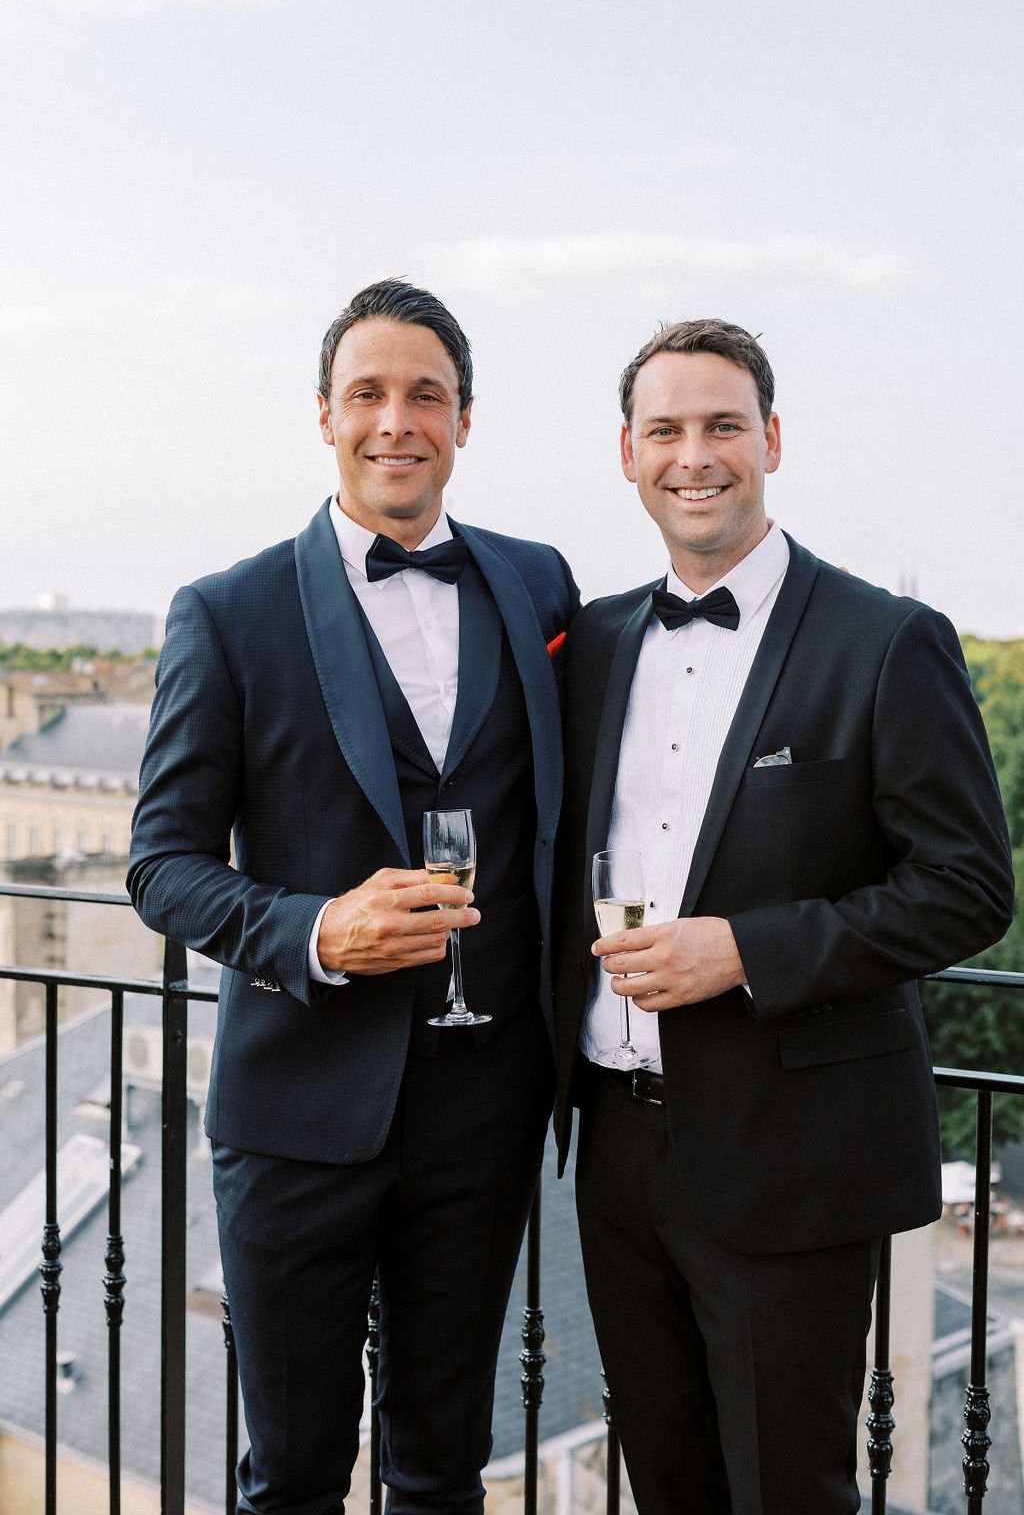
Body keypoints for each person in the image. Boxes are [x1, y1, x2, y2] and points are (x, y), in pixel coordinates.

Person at [128, 278, 579, 1515]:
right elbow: (160, 862)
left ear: (465, 420)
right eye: (367, 395)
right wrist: (316, 928)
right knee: (292, 1478)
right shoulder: (226, 612)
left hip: (485, 1111)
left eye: (424, 395)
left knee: (442, 1472)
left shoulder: (539, 585)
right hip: (296, 1119)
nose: (397, 421)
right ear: (322, 418)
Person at [553, 318, 1014, 1514]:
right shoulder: (591, 640)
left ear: (770, 440)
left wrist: (745, 951)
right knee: (669, 1482)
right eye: (664, 428)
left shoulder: (884, 640)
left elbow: (967, 887)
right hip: (613, 1145)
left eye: (720, 426)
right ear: (624, 451)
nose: (692, 455)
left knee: (786, 1493)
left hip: (793, 1155)